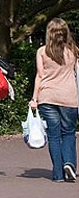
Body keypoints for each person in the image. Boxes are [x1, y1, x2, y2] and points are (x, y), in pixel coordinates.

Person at [29, 18, 79, 182]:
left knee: (54, 135)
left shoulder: (42, 51)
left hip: (48, 97)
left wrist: (34, 98)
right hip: (69, 97)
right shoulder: (73, 50)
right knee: (69, 133)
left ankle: (58, 173)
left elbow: (40, 75)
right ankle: (69, 163)